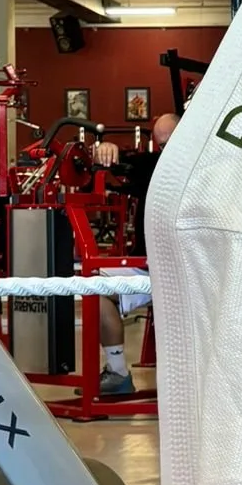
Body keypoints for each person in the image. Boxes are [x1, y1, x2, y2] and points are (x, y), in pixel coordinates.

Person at [93, 109, 178, 395]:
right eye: (162, 145)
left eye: (172, 141)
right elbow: (125, 164)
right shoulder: (154, 166)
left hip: (185, 273)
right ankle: (118, 372)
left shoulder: (208, 168)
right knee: (94, 287)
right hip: (148, 270)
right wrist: (107, 150)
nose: (167, 150)